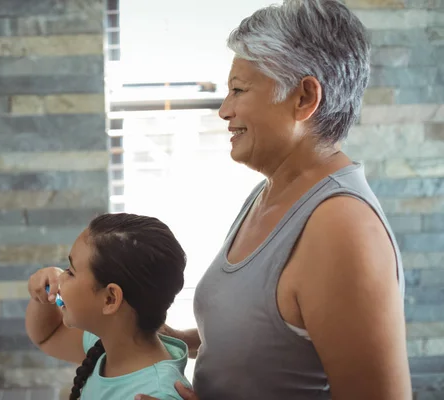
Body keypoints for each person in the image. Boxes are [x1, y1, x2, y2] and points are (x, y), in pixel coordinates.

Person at [136, 0, 412, 399]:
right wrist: (184, 340)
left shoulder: (342, 228)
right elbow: (276, 337)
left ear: (303, 98)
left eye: (238, 90)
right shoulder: (271, 190)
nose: (224, 110)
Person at [25, 213, 192, 400]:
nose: (60, 277)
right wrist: (44, 294)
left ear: (110, 299)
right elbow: (48, 336)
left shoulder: (155, 394)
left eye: (70, 272)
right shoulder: (109, 341)